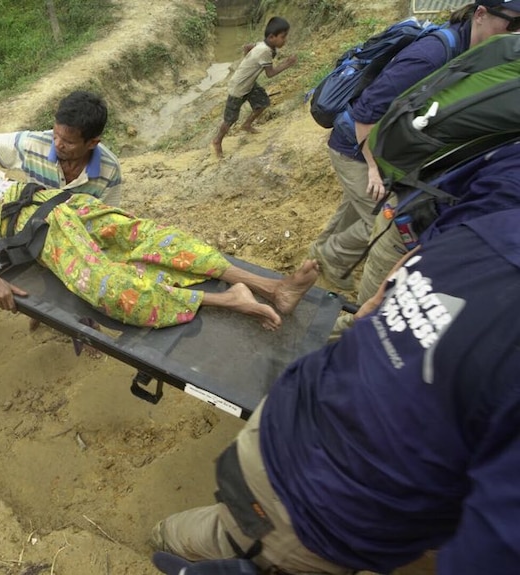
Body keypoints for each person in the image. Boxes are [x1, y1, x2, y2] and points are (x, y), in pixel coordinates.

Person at [152, 206, 520, 574]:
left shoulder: (491, 225)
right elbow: (492, 549)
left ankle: (168, 538)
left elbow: (381, 298)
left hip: (282, 420)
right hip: (321, 509)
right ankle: (172, 546)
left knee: (225, 529)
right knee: (238, 540)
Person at [0, 149, 319, 329]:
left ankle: (271, 287)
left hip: (58, 203)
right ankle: (231, 300)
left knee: (156, 237)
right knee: (109, 288)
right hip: (37, 230)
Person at [308, 0, 517, 290]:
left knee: (358, 208)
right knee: (381, 218)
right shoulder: (433, 54)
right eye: (514, 24)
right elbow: (366, 111)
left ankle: (319, 259)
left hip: (378, 145)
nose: (515, 35)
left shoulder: (470, 52)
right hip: (355, 145)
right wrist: (372, 167)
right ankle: (330, 258)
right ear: (480, 14)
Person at [334, 138, 520, 335]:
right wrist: (378, 300)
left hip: (430, 227)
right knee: (369, 322)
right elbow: (442, 250)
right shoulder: (509, 189)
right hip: (407, 233)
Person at [0, 90, 123, 206]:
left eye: (68, 142)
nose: (58, 144)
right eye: (55, 134)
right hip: (33, 230)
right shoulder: (34, 144)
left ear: (92, 143)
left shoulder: (109, 170)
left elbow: (105, 219)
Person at [211, 17, 297, 157]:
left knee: (262, 103)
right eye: (283, 37)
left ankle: (246, 125)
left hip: (249, 84)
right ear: (271, 37)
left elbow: (247, 47)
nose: (285, 40)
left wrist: (248, 58)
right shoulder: (265, 51)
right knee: (230, 118)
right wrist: (287, 64)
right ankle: (217, 140)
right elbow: (270, 73)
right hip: (238, 88)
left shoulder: (264, 45)